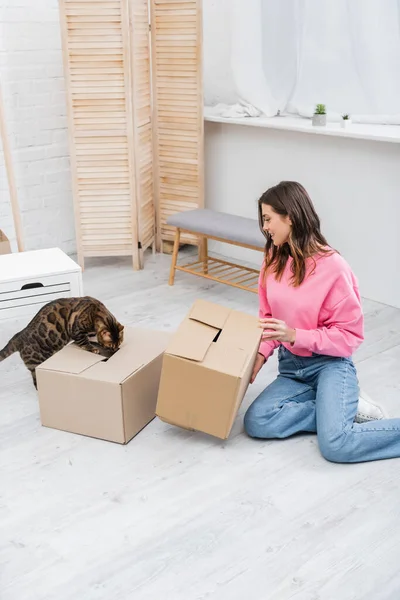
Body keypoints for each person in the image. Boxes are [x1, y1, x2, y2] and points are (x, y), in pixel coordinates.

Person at [244, 181, 400, 463]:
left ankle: (338, 416)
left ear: (289, 216)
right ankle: (341, 411)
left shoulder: (334, 267)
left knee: (336, 445)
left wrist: (295, 335)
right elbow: (267, 317)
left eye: (268, 219)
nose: (264, 227)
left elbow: (349, 337)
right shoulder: (273, 257)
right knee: (258, 421)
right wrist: (260, 354)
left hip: (330, 364)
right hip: (292, 367)